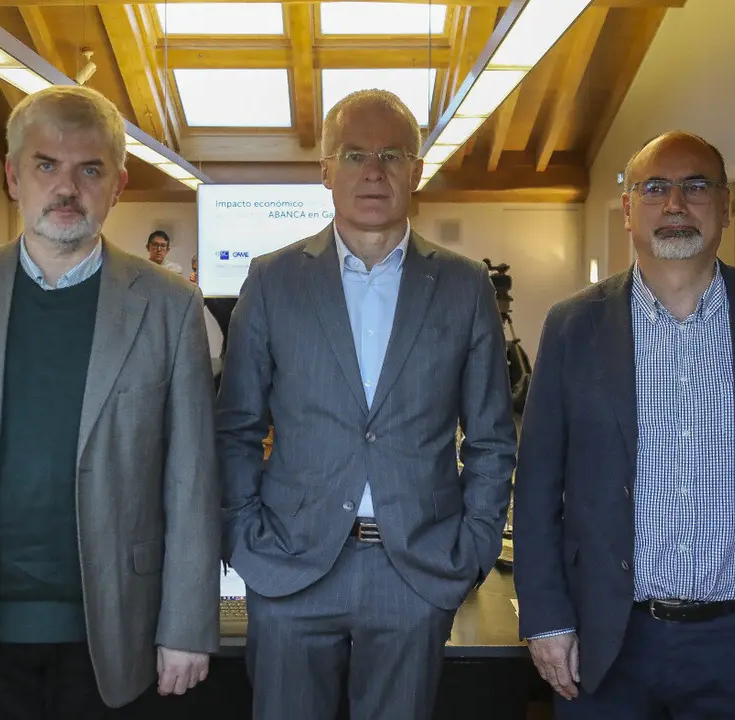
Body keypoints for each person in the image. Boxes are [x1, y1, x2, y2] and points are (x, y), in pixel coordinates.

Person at [0, 84, 220, 719]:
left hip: (117, 628)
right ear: (13, 176)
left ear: (118, 185)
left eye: (90, 170)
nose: (66, 188)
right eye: (46, 165)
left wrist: (188, 623)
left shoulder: (170, 307)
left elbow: (191, 478)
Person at [513, 131, 735, 719]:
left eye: (696, 186)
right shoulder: (573, 326)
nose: (676, 204)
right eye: (655, 188)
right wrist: (547, 618)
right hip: (607, 642)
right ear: (628, 208)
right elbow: (537, 485)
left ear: (725, 206)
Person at [216, 89, 517, 720]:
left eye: (392, 155)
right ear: (326, 171)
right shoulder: (272, 280)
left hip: (417, 571)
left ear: (417, 170)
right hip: (289, 566)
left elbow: (492, 438)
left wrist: (474, 547)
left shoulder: (464, 286)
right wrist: (243, 537)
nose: (374, 171)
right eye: (354, 154)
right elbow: (236, 427)